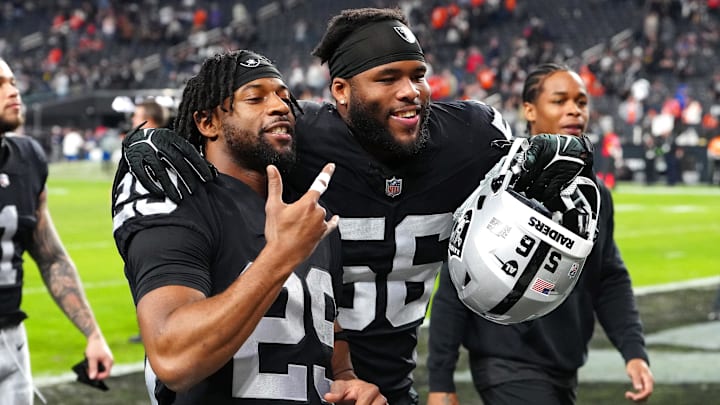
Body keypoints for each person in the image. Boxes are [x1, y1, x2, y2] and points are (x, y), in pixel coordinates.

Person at [117, 9, 593, 404]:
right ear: (340, 92)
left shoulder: (469, 138)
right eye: (388, 77)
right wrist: (148, 140)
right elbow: (222, 136)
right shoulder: (295, 144)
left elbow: (544, 161)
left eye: (418, 76)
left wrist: (568, 155)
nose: (411, 91)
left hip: (376, 387)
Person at [111, 49, 385, 404]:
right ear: (207, 123)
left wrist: (349, 380)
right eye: (255, 98)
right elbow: (173, 357)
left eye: (285, 98)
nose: (279, 106)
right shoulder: (180, 201)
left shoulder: (308, 213)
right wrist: (279, 256)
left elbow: (322, 327)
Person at [427, 63, 653, 405]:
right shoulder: (501, 184)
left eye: (581, 101)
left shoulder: (594, 196)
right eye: (559, 101)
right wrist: (440, 381)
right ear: (529, 110)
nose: (574, 110)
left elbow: (609, 278)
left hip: (563, 362)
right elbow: (458, 282)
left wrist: (633, 351)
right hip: (506, 362)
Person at [0, 58, 114, 404]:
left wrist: (92, 333)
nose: (14, 90)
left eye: (13, 81)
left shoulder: (27, 157)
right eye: (1, 84)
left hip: (12, 343)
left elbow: (50, 257)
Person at [126, 98, 170, 344]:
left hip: (155, 227)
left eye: (136, 116)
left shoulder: (150, 148)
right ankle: (151, 328)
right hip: (153, 226)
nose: (133, 121)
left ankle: (155, 329)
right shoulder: (167, 144)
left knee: (153, 281)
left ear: (148, 119)